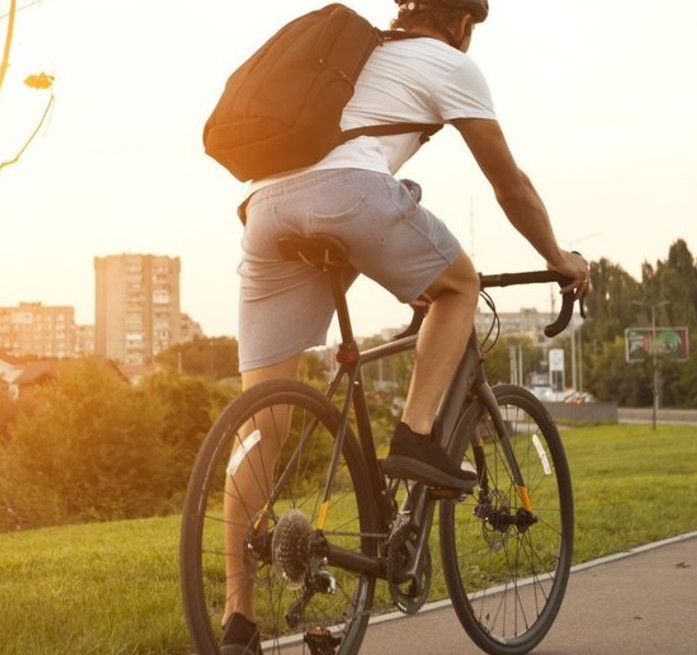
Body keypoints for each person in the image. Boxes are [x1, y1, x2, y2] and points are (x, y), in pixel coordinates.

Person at [220, 1, 589, 652]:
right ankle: (418, 439)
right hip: (348, 194)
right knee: (458, 286)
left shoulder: (363, 56)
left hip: (266, 209)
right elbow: (511, 187)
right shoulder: (449, 63)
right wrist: (559, 260)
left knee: (261, 426)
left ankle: (237, 617)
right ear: (463, 24)